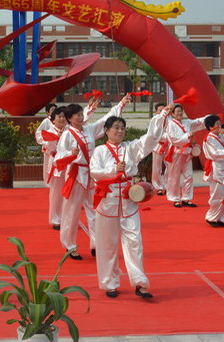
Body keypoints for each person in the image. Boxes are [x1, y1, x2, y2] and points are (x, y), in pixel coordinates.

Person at [89, 107, 170, 299]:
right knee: (107, 244)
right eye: (115, 127)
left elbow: (150, 139)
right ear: (106, 131)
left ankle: (140, 282)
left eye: (122, 128)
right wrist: (113, 170)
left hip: (128, 202)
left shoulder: (130, 148)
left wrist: (160, 117)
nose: (119, 131)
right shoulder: (100, 151)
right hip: (107, 202)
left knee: (135, 242)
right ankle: (110, 283)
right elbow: (94, 172)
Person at [55, 95, 130, 260]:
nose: (81, 117)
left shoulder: (88, 129)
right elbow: (58, 157)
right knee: (71, 212)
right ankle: (70, 245)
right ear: (69, 118)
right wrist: (71, 153)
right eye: (77, 115)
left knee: (95, 209)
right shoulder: (67, 135)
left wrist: (121, 104)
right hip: (76, 175)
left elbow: (105, 121)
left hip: (92, 174)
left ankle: (96, 244)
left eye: (82, 114)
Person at [164, 104, 207, 208]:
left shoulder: (186, 122)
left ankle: (186, 198)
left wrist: (209, 118)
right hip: (176, 153)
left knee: (189, 175)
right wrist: (188, 135)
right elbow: (175, 139)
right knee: (175, 176)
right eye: (177, 111)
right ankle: (175, 198)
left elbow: (197, 122)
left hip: (187, 152)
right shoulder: (171, 125)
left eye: (181, 111)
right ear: (172, 114)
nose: (180, 113)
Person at [201, 115, 224, 227]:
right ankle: (211, 217)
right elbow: (215, 153)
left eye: (220, 123)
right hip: (216, 169)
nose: (220, 126)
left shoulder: (220, 136)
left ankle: (222, 217)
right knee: (217, 195)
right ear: (210, 127)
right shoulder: (209, 138)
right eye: (217, 124)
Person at [38, 106, 67, 230]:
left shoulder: (70, 130)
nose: (62, 119)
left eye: (64, 117)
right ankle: (56, 219)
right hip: (56, 167)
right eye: (59, 117)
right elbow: (49, 147)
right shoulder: (49, 131)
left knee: (69, 194)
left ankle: (67, 219)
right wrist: (55, 140)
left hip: (70, 166)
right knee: (56, 194)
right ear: (53, 119)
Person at [34, 103, 57, 184]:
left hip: (57, 148)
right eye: (52, 110)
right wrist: (44, 141)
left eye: (55, 109)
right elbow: (38, 132)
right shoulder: (46, 121)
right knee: (47, 166)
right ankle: (48, 183)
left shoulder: (59, 120)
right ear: (48, 112)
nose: (54, 111)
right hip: (48, 148)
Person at [149, 103, 169, 196]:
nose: (162, 112)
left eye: (164, 110)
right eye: (160, 110)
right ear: (156, 111)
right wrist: (169, 137)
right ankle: (158, 187)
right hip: (158, 146)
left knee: (169, 167)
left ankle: (168, 186)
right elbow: (156, 134)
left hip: (168, 146)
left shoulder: (169, 119)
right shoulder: (155, 120)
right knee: (157, 168)